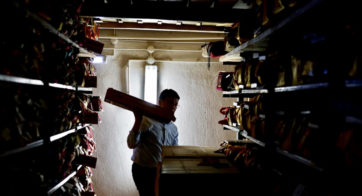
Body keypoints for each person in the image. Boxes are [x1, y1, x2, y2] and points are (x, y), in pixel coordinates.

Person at [127, 89, 180, 196]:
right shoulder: (146, 120)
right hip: (143, 171)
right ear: (160, 102)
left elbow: (173, 152)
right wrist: (137, 120)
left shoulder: (174, 128)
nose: (173, 107)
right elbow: (131, 144)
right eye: (170, 102)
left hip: (162, 171)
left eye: (176, 104)